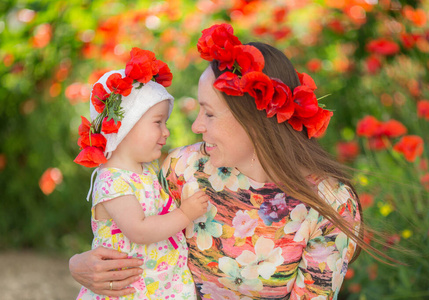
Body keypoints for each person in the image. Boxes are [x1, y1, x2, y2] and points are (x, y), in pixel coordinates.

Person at [70, 24, 370, 299]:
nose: (196, 126)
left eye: (209, 113)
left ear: (254, 119)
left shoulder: (330, 204)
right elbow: (130, 237)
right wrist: (80, 265)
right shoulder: (183, 169)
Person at [73, 47, 208, 299]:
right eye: (158, 122)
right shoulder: (111, 179)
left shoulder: (146, 170)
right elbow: (139, 230)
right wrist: (185, 213)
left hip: (157, 286)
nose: (165, 132)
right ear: (124, 128)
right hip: (129, 291)